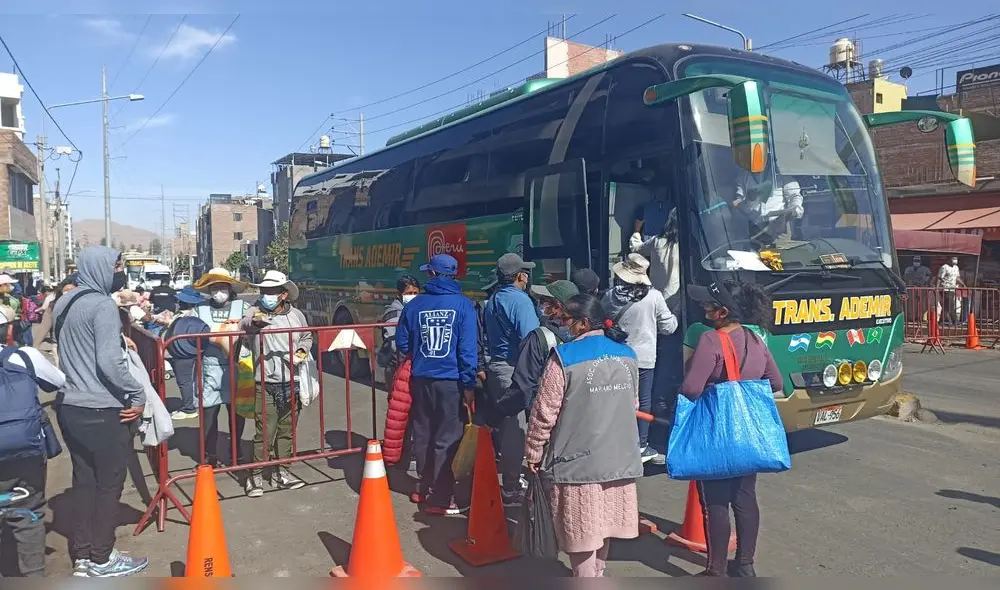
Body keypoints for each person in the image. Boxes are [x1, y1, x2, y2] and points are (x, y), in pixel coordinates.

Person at [524, 294, 643, 577]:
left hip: (577, 462)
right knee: (603, 525)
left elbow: (544, 412)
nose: (562, 325)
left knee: (581, 530)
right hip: (619, 458)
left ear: (584, 323)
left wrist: (533, 451)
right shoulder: (628, 355)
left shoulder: (564, 358)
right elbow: (634, 403)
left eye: (566, 320)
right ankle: (596, 575)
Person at [51, 246, 148, 577]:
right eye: (116, 265)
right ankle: (103, 558)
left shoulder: (64, 302)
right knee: (109, 484)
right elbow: (108, 362)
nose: (119, 271)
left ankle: (83, 555)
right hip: (102, 409)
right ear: (99, 268)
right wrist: (137, 392)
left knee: (85, 481)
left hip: (70, 407)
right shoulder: (103, 305)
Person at [679, 280, 784, 577]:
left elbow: (691, 389)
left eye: (708, 305)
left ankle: (717, 571)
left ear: (722, 312)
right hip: (747, 433)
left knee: (715, 501)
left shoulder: (711, 341)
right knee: (745, 497)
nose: (704, 309)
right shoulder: (755, 339)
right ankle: (746, 565)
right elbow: (776, 382)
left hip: (716, 430)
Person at [395, 254, 478, 515]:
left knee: (423, 433)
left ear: (431, 274)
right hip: (451, 381)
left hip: (421, 379)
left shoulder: (415, 304)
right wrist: (469, 385)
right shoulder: (464, 305)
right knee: (447, 437)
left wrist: (421, 353)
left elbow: (402, 342)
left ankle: (423, 488)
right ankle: (441, 497)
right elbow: (467, 350)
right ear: (454, 275)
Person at [0, 306, 65, 577]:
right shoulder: (24, 356)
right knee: (28, 512)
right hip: (24, 449)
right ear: (10, 330)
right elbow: (58, 381)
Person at [240, 270, 313, 498]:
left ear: (283, 294)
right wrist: (255, 322)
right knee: (264, 431)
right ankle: (255, 476)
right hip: (265, 383)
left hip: (292, 381)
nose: (266, 295)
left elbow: (307, 337)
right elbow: (244, 324)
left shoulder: (297, 315)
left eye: (271, 291)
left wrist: (301, 352)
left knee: (287, 430)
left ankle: (282, 473)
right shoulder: (255, 311)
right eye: (264, 291)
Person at [601, 253, 677, 464]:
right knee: (643, 402)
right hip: (643, 359)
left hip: (616, 356)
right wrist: (675, 316)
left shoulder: (610, 296)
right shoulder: (654, 297)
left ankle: (616, 441)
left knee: (616, 398)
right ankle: (641, 445)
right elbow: (668, 328)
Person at [483, 253, 539, 504]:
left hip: (497, 367)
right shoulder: (521, 301)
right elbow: (532, 339)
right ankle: (511, 486)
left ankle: (510, 478)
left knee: (507, 426)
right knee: (516, 429)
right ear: (520, 276)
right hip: (515, 369)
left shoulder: (494, 299)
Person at [489, 279, 577, 432]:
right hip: (577, 416)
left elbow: (523, 389)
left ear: (557, 308)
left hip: (545, 416)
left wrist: (495, 415)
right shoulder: (587, 335)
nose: (539, 305)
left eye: (543, 301)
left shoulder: (538, 338)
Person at [173, 268, 251, 421]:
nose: (218, 291)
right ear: (209, 290)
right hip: (208, 370)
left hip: (238, 369)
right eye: (214, 288)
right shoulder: (199, 309)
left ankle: (235, 439)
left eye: (222, 287)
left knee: (237, 416)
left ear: (230, 288)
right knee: (208, 416)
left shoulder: (244, 308)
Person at [378, 274, 421, 471]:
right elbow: (396, 344)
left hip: (409, 367)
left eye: (415, 292)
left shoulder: (415, 309)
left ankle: (406, 452)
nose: (412, 296)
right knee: (400, 416)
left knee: (411, 413)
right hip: (398, 368)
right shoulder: (394, 313)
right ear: (399, 294)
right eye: (408, 293)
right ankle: (401, 455)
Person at [935, 256, 964, 327]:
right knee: (948, 305)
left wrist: (963, 284)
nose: (955, 260)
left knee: (949, 305)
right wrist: (937, 288)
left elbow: (957, 278)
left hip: (952, 289)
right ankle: (952, 321)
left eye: (956, 258)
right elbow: (939, 278)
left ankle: (947, 321)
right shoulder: (944, 267)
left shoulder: (956, 268)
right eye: (953, 258)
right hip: (945, 289)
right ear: (949, 259)